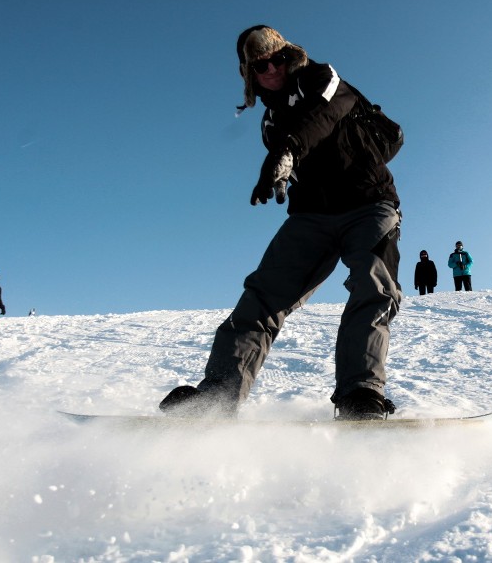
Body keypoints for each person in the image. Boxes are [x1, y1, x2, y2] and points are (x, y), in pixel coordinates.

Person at [159, 25, 402, 420]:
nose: (271, 68)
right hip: (312, 217)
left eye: (278, 59)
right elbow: (293, 145)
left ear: (290, 56)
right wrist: (282, 166)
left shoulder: (324, 78)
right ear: (249, 74)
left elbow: (322, 117)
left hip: (370, 204)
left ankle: (360, 393)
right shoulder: (270, 123)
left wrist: (287, 151)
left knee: (372, 286)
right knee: (262, 296)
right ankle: (219, 396)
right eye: (259, 65)